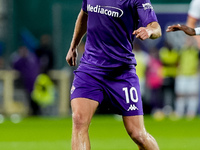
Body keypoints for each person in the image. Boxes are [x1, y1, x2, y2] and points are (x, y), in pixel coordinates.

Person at [66, 0, 161, 149]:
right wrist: (73, 46)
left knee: (137, 134)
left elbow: (156, 27)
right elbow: (84, 14)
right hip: (90, 70)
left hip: (121, 73)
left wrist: (149, 31)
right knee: (79, 120)